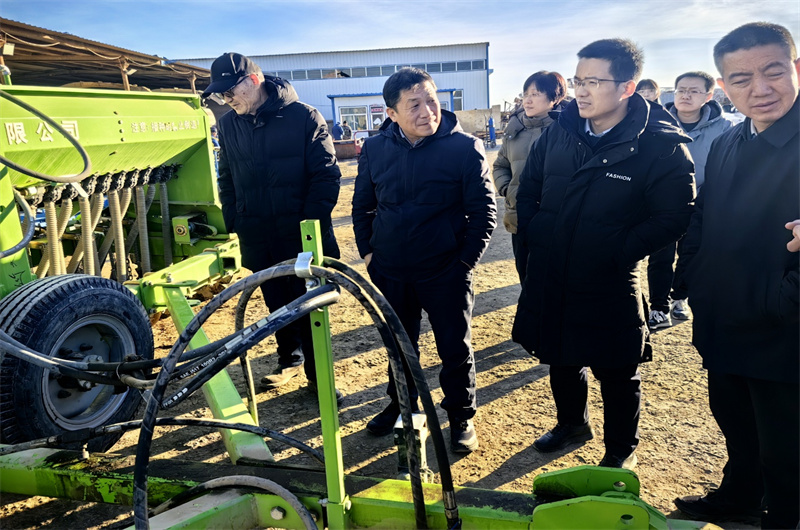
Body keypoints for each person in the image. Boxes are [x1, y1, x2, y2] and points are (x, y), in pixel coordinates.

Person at [512, 38, 695, 469]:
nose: (581, 91)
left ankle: (620, 450)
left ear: (627, 87)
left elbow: (674, 216)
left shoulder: (660, 144)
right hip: (554, 266)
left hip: (610, 276)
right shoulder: (560, 130)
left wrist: (618, 251)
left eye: (593, 82)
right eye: (578, 81)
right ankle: (572, 423)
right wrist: (540, 233)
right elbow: (530, 188)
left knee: (617, 368)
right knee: (559, 354)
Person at [673, 22, 799, 528]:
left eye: (773, 71)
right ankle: (741, 496)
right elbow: (703, 214)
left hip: (784, 328)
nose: (760, 89)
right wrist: (693, 279)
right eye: (742, 79)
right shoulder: (729, 140)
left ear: (796, 68)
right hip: (724, 313)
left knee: (786, 445)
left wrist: (783, 301)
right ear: (724, 86)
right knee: (736, 422)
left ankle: (785, 518)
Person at [352, 67, 496, 453]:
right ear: (391, 113)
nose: (427, 111)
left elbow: (484, 212)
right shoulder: (376, 149)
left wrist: (463, 263)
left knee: (454, 347)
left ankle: (461, 415)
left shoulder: (463, 148)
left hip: (445, 270)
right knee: (400, 345)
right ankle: (400, 403)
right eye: (413, 104)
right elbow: (363, 206)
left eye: (431, 100)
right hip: (391, 270)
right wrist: (369, 254)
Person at [202, 52, 343, 403]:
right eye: (220, 95)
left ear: (253, 81)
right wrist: (236, 218)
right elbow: (226, 177)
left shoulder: (304, 117)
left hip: (301, 235)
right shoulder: (229, 125)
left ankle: (319, 377)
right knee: (275, 301)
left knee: (310, 306)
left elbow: (326, 176)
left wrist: (309, 226)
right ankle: (289, 359)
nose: (226, 100)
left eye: (229, 91)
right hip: (257, 232)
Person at [646, 71, 738, 329]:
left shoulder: (725, 128)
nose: (685, 95)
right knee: (660, 255)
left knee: (691, 254)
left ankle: (680, 298)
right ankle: (658, 307)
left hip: (703, 202)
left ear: (708, 96)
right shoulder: (656, 123)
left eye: (694, 91)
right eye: (681, 90)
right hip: (662, 202)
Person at [492, 71, 567, 281]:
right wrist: (508, 190)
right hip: (520, 217)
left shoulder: (566, 130)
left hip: (555, 221)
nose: (528, 100)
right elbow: (500, 166)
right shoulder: (514, 130)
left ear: (554, 98)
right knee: (525, 275)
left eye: (535, 94)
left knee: (553, 279)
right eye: (526, 94)